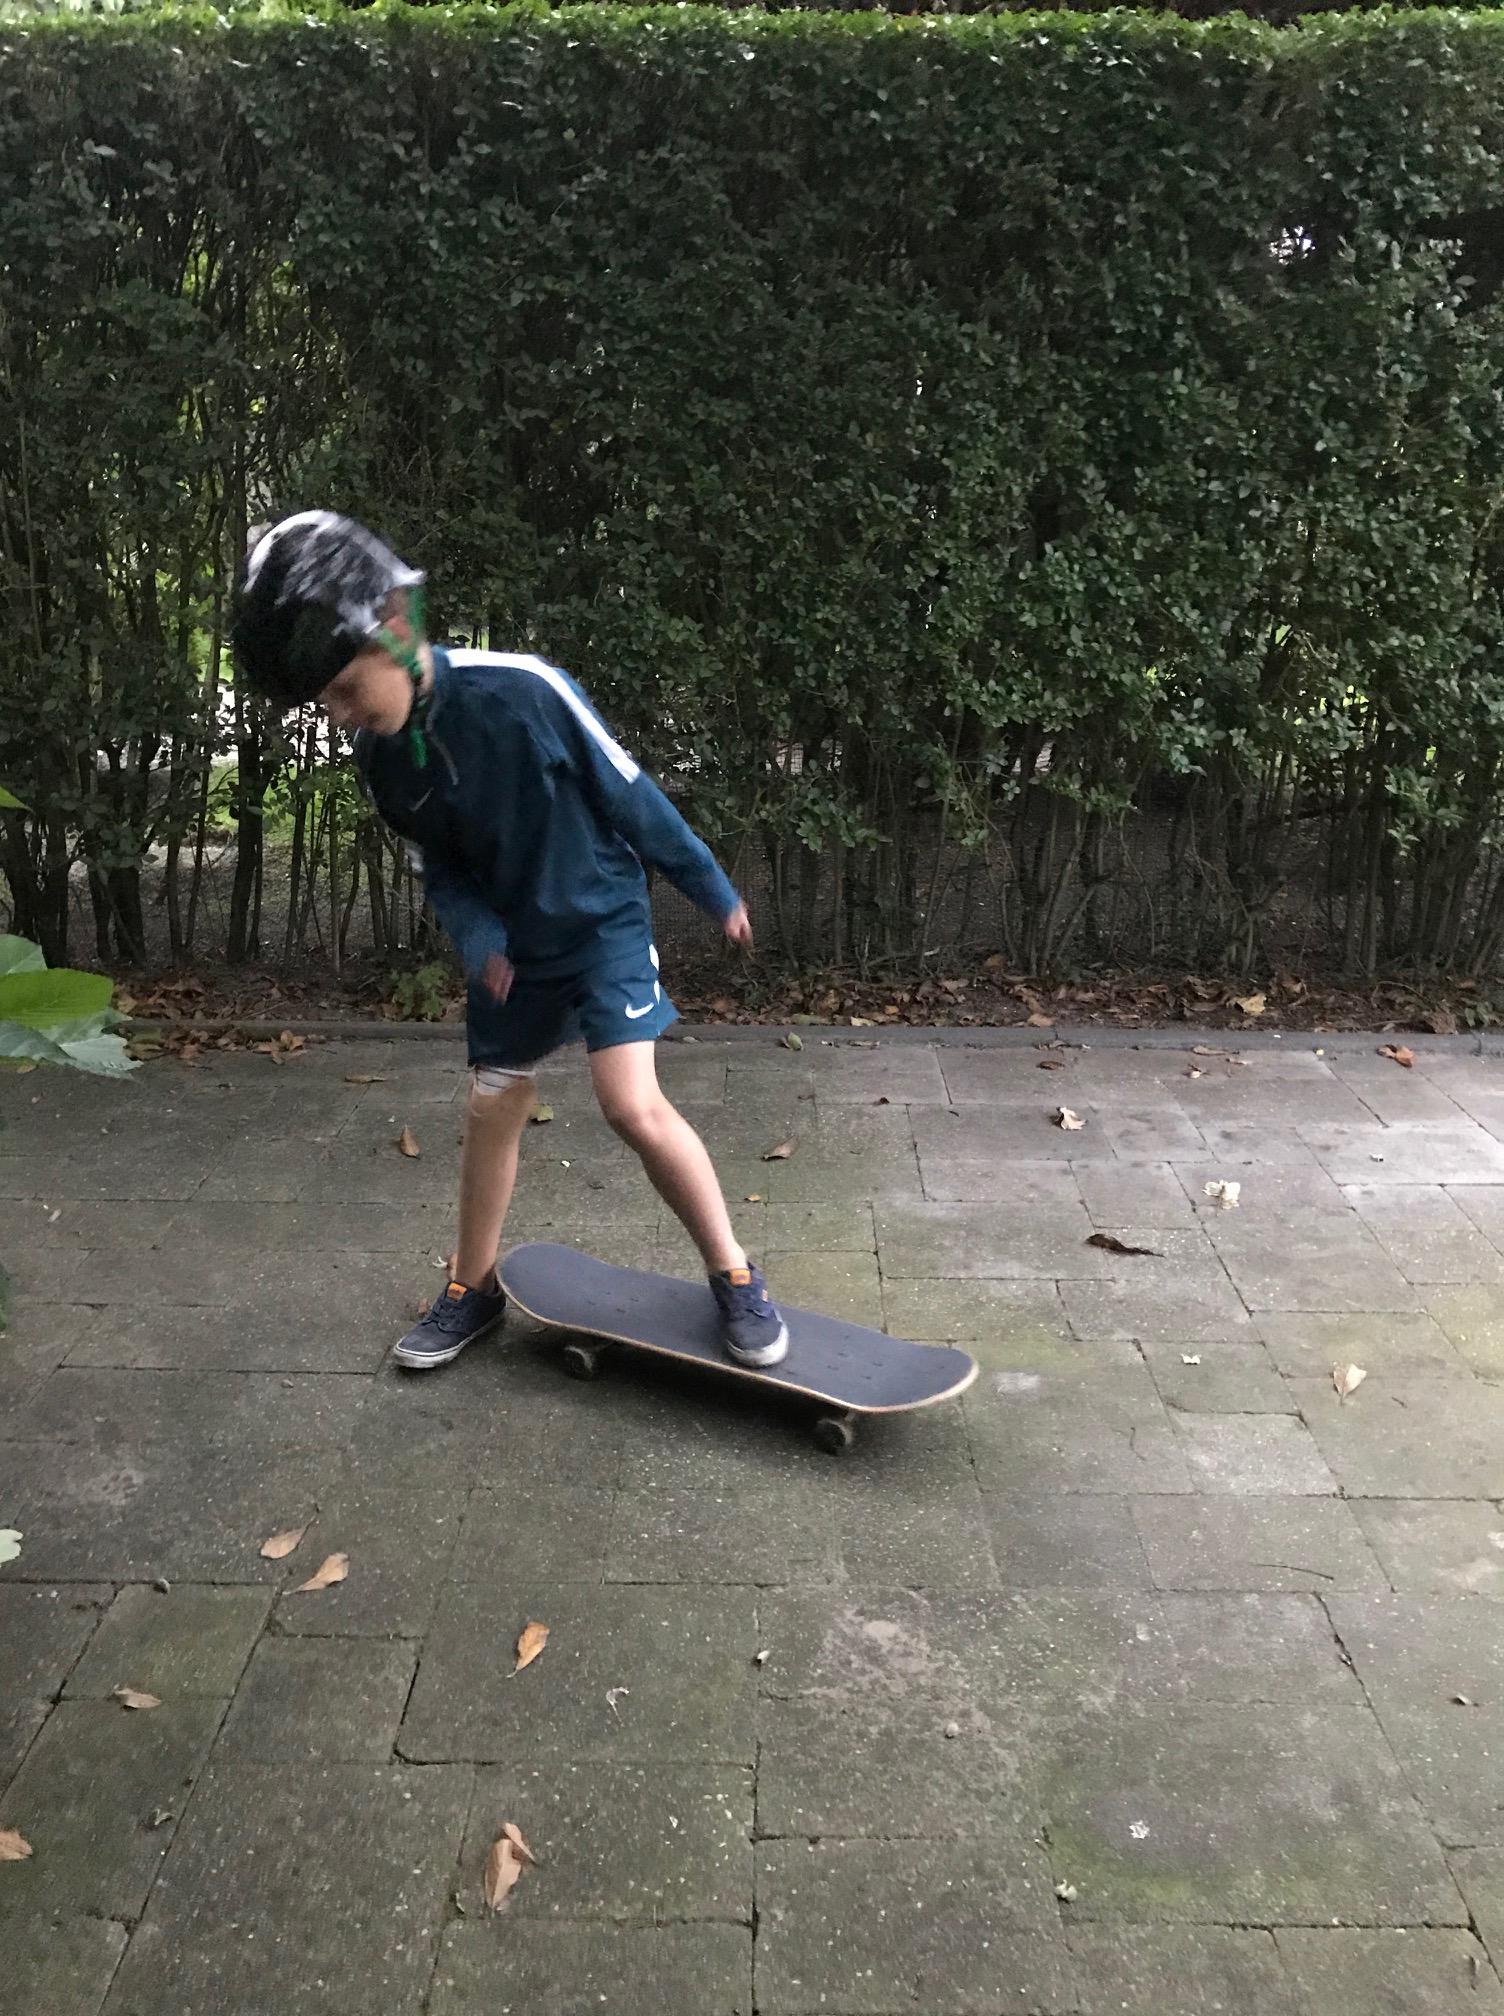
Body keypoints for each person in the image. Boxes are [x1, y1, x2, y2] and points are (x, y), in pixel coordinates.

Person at [232, 510, 787, 1372]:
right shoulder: (383, 760)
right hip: (513, 954)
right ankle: (474, 1286)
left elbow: (630, 793)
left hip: (599, 923)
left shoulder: (523, 690)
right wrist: (479, 938)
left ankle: (735, 1273)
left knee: (629, 1104)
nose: (340, 715)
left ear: (394, 629)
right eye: (325, 702)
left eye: (343, 689)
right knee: (493, 1103)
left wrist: (709, 886)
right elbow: (440, 871)